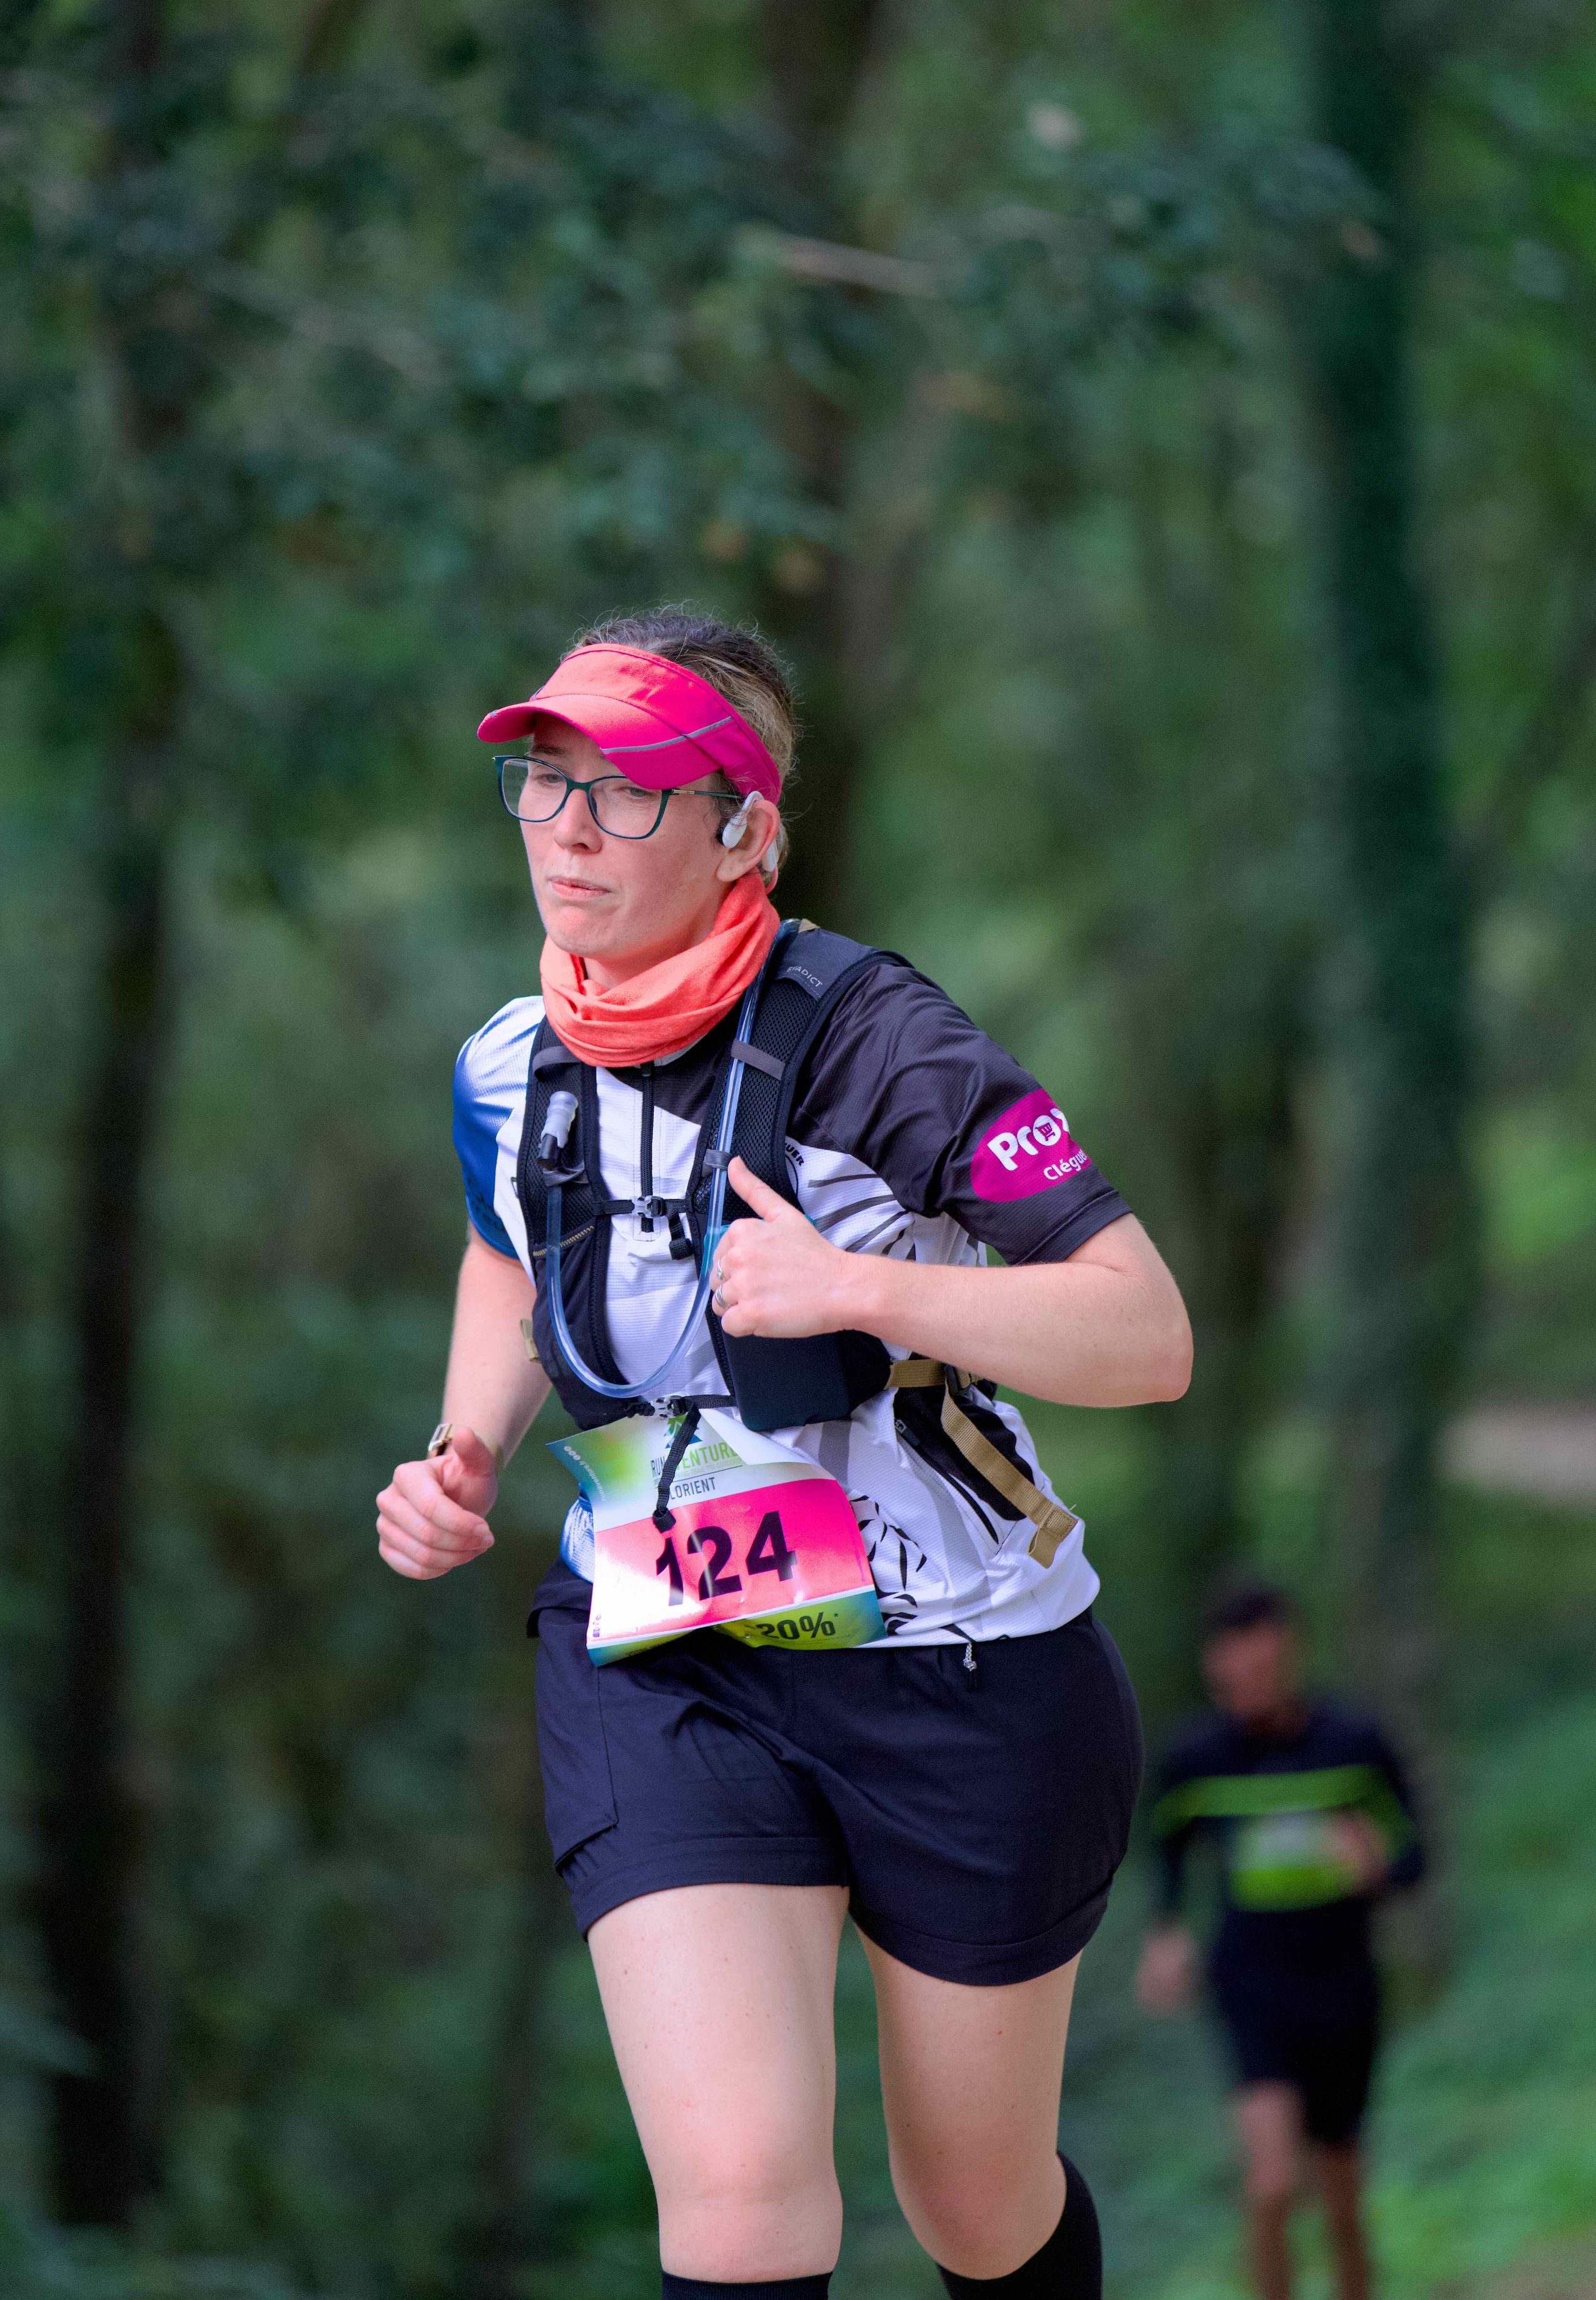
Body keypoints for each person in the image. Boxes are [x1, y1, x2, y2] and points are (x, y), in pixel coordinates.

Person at [377, 607, 1192, 2300]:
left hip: (958, 1663)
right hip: (669, 1650)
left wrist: (857, 1287)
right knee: (740, 2200)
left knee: (972, 2203)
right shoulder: (509, 1065)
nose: (569, 832)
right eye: (544, 784)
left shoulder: (885, 1045)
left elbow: (1145, 1331)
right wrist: (465, 1442)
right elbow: (508, 1252)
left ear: (744, 828)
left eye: (626, 792)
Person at [1135, 1581, 1425, 2300]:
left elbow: (1415, 1855)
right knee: (1271, 2185)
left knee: (1342, 2202)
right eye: (1230, 1674)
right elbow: (1167, 1846)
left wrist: (1378, 1868)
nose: (1245, 1686)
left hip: (1344, 1988)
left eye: (1260, 1669)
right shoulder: (1196, 1757)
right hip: (1253, 1988)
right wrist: (1166, 1931)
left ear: (1290, 1654)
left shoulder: (1354, 1745)